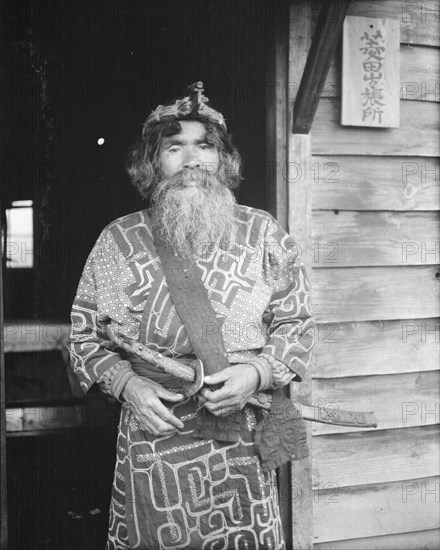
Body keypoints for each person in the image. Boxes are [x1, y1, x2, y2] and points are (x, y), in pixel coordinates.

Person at [69, 82, 314, 550]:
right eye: (173, 147)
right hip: (157, 428)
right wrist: (131, 387)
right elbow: (84, 338)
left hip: (240, 425)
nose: (192, 160)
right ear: (151, 163)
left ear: (223, 159)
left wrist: (257, 372)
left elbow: (297, 323)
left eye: (205, 146)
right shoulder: (118, 240)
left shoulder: (263, 232)